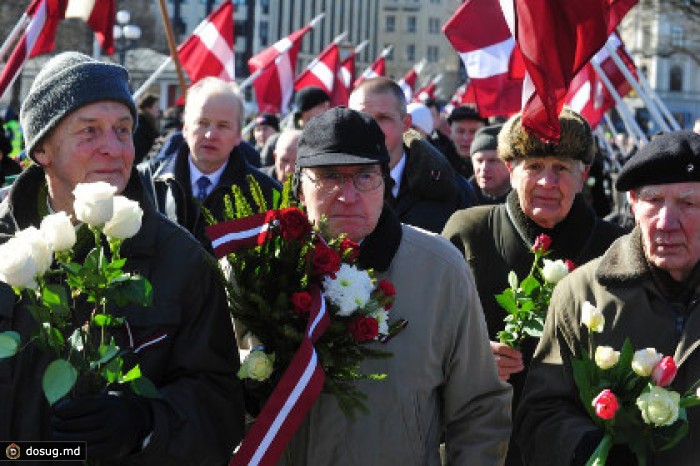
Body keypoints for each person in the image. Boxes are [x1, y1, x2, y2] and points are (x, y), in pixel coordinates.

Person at [3, 52, 243, 464]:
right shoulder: (6, 248)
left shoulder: (181, 260)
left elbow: (219, 405)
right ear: (42, 147)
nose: (113, 149)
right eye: (90, 131)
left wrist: (146, 425)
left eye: (123, 130)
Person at [285, 106, 511, 465]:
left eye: (364, 177)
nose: (347, 194)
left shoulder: (439, 270)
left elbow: (478, 409)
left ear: (385, 183)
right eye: (328, 176)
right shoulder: (258, 268)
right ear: (298, 185)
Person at [441, 107, 625, 466]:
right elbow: (425, 337)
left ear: (583, 174)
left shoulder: (615, 249)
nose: (547, 182)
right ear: (510, 170)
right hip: (481, 445)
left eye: (561, 168)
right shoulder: (469, 233)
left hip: (583, 448)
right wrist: (469, 359)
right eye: (534, 166)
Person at [516, 131, 700, 466]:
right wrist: (590, 451)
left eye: (687, 204)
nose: (666, 223)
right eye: (654, 201)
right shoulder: (583, 292)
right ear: (632, 204)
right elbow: (542, 413)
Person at [138, 76, 280, 250]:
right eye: (202, 123)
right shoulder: (144, 182)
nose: (210, 135)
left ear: (238, 135)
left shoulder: (267, 195)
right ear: (185, 128)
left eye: (223, 125)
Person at [349, 77, 472, 233]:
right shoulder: (328, 184)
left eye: (383, 118)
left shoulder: (452, 188)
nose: (372, 127)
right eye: (362, 118)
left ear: (406, 123)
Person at [469, 124, 511, 205]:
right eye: (479, 161)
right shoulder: (461, 197)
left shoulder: (523, 201)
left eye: (492, 161)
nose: (484, 168)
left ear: (509, 165)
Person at [447, 106, 487, 179]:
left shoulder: (498, 165)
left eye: (473, 132)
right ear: (450, 133)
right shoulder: (438, 163)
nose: (466, 138)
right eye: (460, 131)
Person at [133, 94, 160, 165]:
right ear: (148, 108)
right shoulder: (141, 126)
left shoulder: (149, 123)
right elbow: (138, 153)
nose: (158, 109)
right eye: (156, 107)